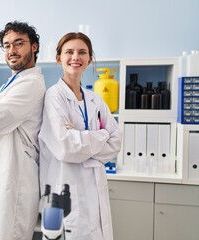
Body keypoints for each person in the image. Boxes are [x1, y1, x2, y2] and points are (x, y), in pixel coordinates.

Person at [38, 32, 122, 240]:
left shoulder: (95, 99)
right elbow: (66, 146)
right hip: (61, 188)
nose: (76, 57)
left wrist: (81, 136)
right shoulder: (53, 96)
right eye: (69, 52)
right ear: (59, 58)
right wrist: (101, 135)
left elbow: (116, 142)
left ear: (89, 59)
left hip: (93, 188)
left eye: (82, 52)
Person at [0, 21, 46, 240]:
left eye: (19, 43)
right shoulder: (14, 82)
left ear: (34, 47)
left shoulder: (30, 84)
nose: (11, 51)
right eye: (6, 45)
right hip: (1, 174)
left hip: (14, 178)